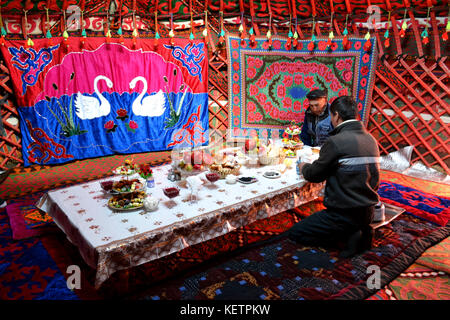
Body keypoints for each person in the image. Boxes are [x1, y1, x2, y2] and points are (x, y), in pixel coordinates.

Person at [289, 96, 380, 258]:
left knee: (295, 233)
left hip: (342, 215)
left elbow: (314, 175)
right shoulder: (371, 140)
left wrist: (303, 165)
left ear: (336, 115)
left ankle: (348, 237)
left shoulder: (336, 141)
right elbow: (375, 181)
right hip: (368, 212)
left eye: (331, 116)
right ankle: (360, 231)